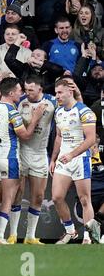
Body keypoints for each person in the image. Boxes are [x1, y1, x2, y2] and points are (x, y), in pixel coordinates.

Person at [0, 77, 45, 244]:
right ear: (10, 93)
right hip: (9, 158)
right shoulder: (12, 112)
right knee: (8, 198)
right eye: (18, 91)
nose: (21, 93)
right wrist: (36, 117)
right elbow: (25, 135)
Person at [6, 75, 57, 245]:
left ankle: (30, 236)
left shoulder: (52, 103)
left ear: (40, 89)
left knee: (38, 196)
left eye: (31, 90)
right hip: (22, 152)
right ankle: (12, 234)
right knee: (17, 194)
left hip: (40, 154)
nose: (27, 93)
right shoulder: (21, 103)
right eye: (25, 89)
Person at [50, 78, 96, 244]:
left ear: (70, 91)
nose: (57, 96)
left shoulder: (85, 112)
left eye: (60, 92)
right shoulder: (58, 112)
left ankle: (88, 236)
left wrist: (72, 154)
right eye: (56, 93)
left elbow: (91, 139)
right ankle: (70, 231)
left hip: (80, 159)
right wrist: (53, 159)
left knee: (84, 199)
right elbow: (59, 137)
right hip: (63, 159)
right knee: (56, 197)